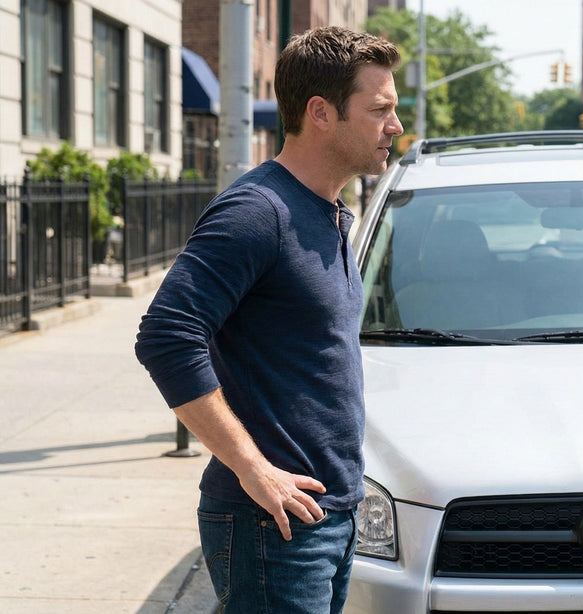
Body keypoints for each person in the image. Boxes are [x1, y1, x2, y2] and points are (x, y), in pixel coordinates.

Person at [135, 26, 402, 613]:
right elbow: (167, 336)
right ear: (321, 113)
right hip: (272, 526)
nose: (395, 126)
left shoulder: (330, 212)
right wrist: (253, 468)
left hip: (330, 514)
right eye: (379, 109)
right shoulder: (258, 212)